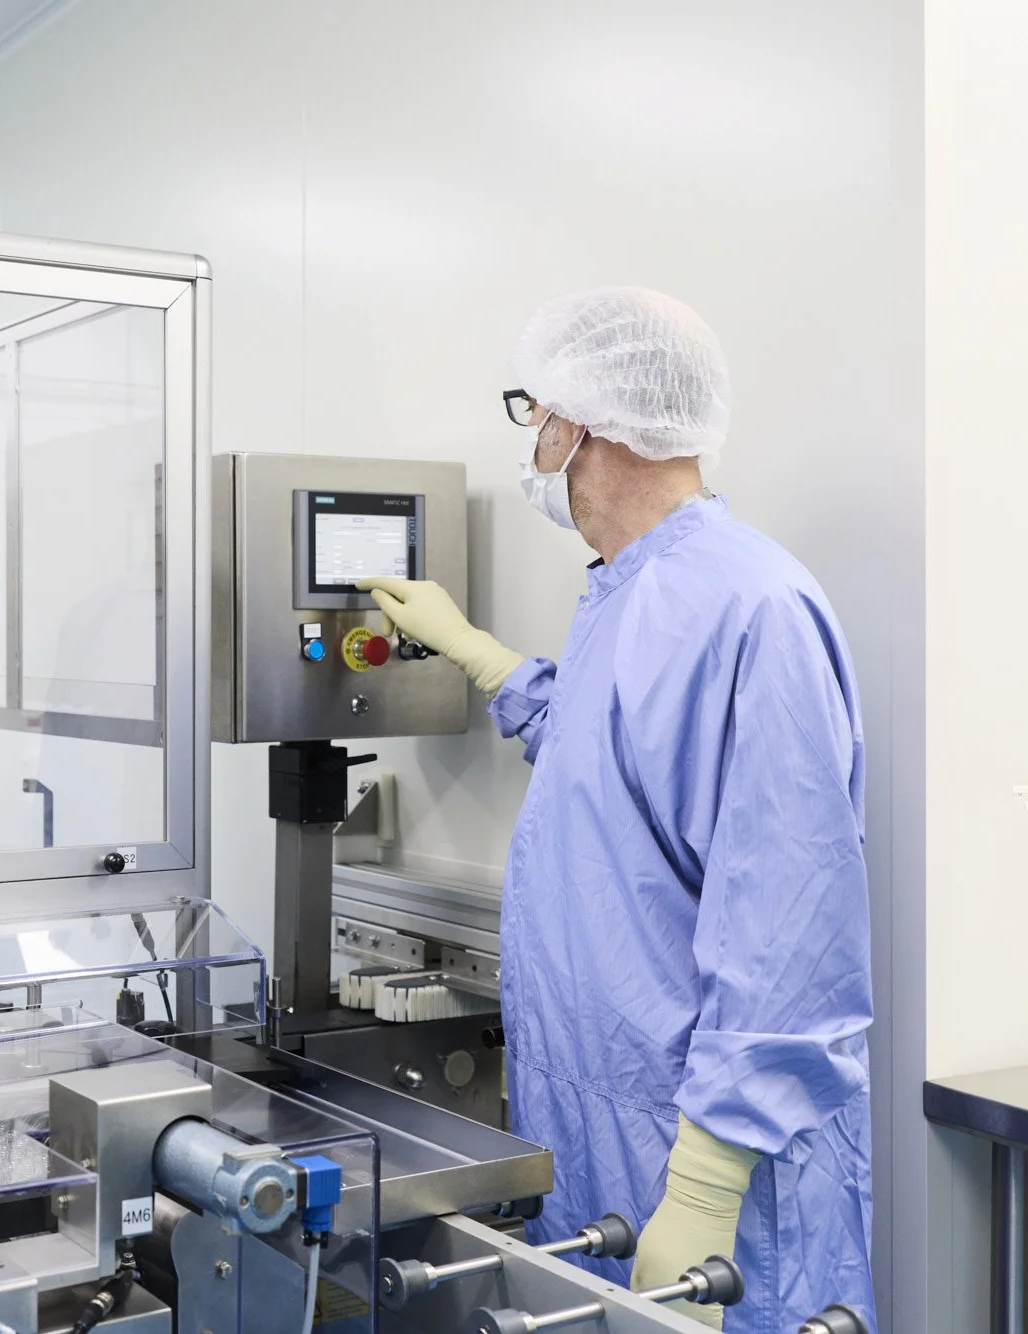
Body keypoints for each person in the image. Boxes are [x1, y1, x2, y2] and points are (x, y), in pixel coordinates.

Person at [357, 288, 874, 1331]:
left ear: (585, 425)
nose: (530, 439)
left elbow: (789, 925)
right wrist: (485, 659)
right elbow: (617, 763)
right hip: (606, 1130)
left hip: (712, 1170)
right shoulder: (631, 588)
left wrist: (705, 1185)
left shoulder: (749, 606)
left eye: (534, 411)